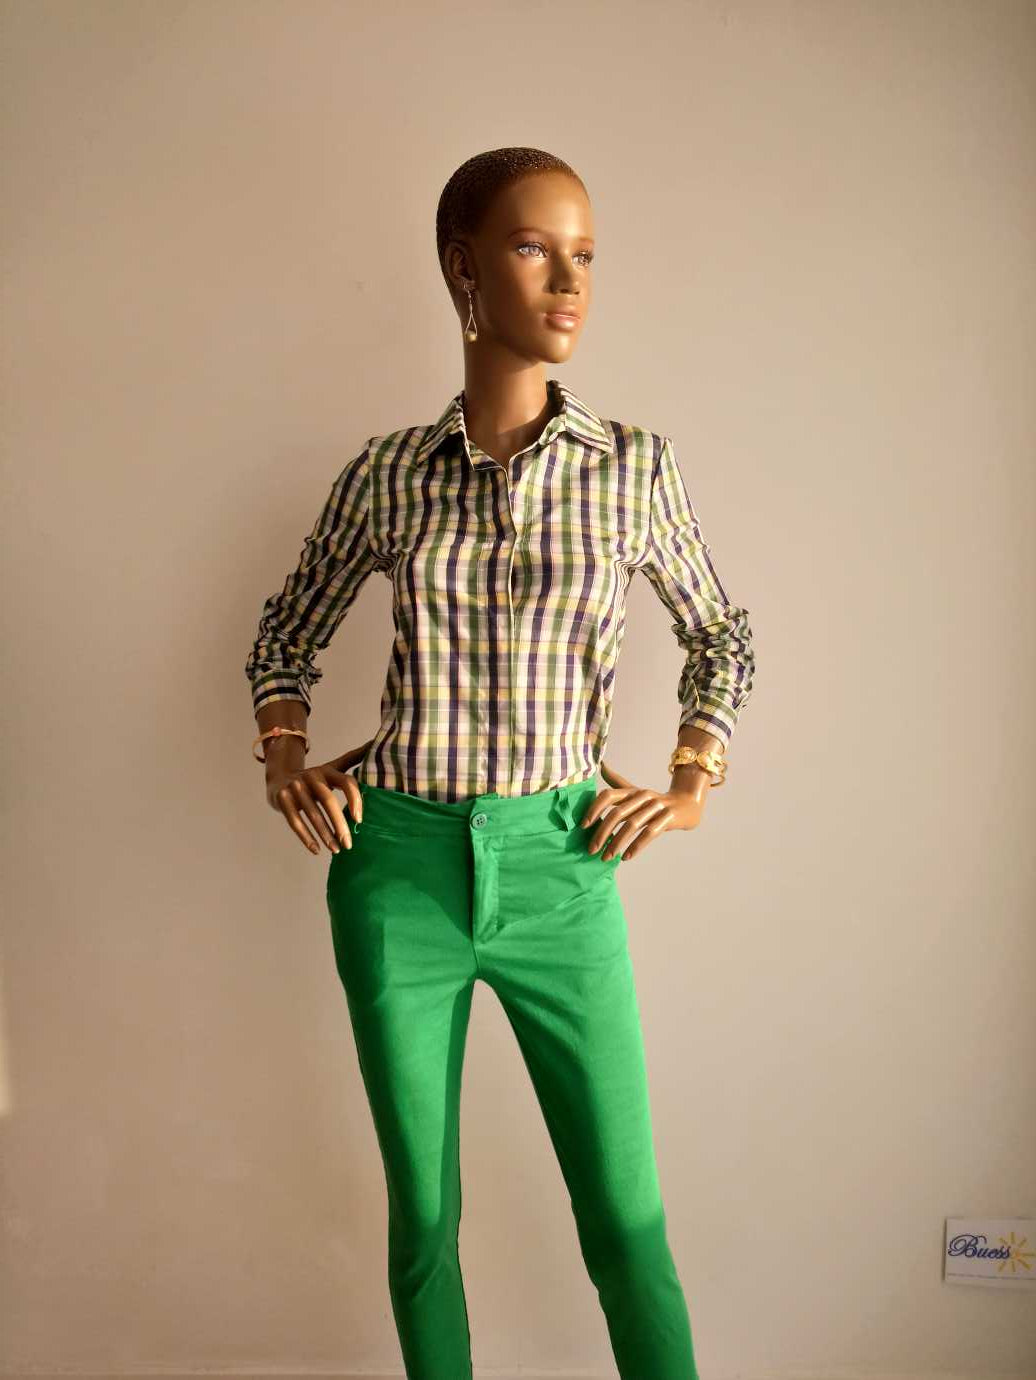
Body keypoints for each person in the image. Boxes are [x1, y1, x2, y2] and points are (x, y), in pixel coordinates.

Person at [244, 146, 756, 1380]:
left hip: (563, 866)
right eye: (534, 249)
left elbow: (720, 634)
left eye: (584, 254)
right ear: (462, 269)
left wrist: (690, 785)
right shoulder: (387, 474)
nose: (569, 281)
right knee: (423, 1221)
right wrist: (284, 755)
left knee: (626, 1222)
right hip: (396, 866)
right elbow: (285, 632)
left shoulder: (631, 467)